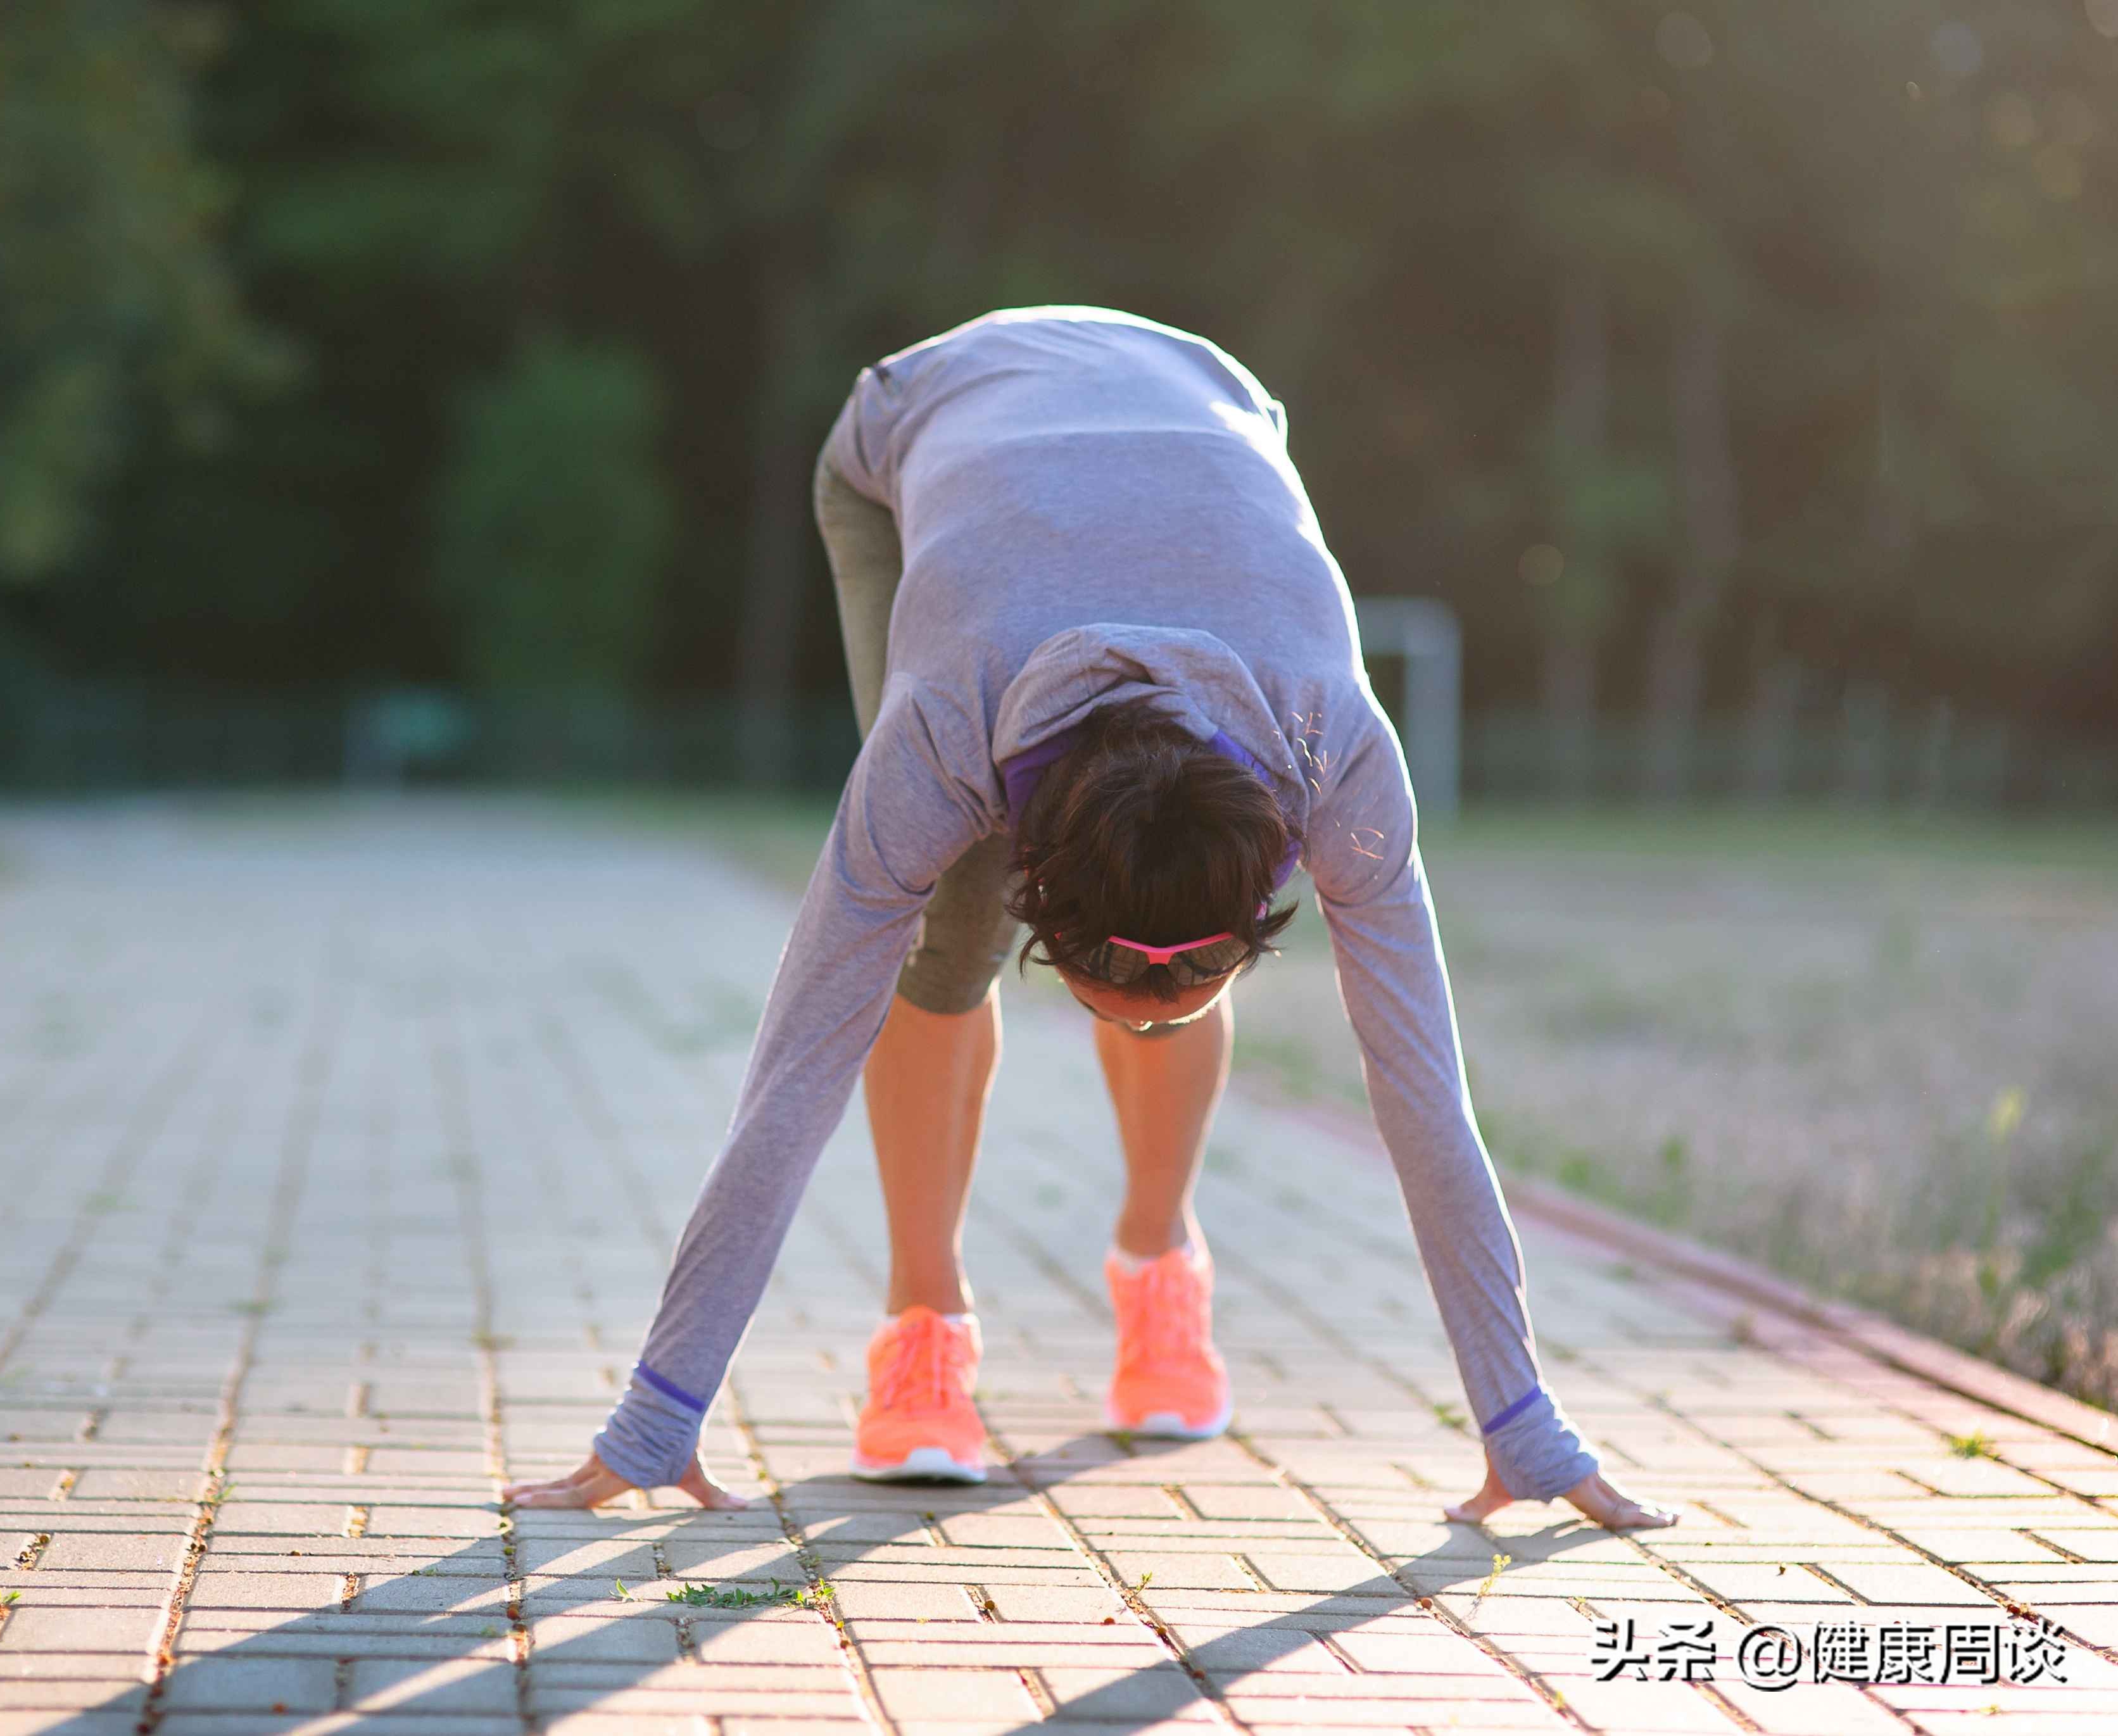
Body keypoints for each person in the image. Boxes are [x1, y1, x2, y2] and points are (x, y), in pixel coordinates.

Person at [508, 306, 1676, 1532]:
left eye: (1196, 982)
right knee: (938, 937)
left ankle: (1160, 1263)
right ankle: (923, 1323)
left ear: (1271, 882)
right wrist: (657, 1416)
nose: (1164, 1008)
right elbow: (795, 1072)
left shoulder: (1336, 745)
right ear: (1047, 917)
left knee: (1148, 937)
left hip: (1208, 395)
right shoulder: (944, 729)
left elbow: (1423, 1089)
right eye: (1123, 994)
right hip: (918, 419)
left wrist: (1522, 1428)